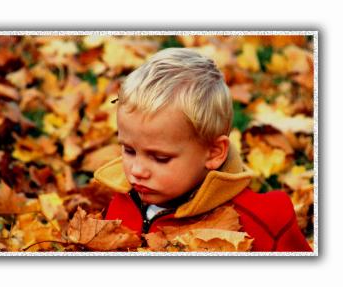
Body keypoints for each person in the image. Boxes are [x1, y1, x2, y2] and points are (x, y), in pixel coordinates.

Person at [94, 48, 312, 252]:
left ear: (214, 153)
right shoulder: (122, 201)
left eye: (160, 158)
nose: (137, 170)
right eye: (129, 150)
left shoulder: (259, 223)